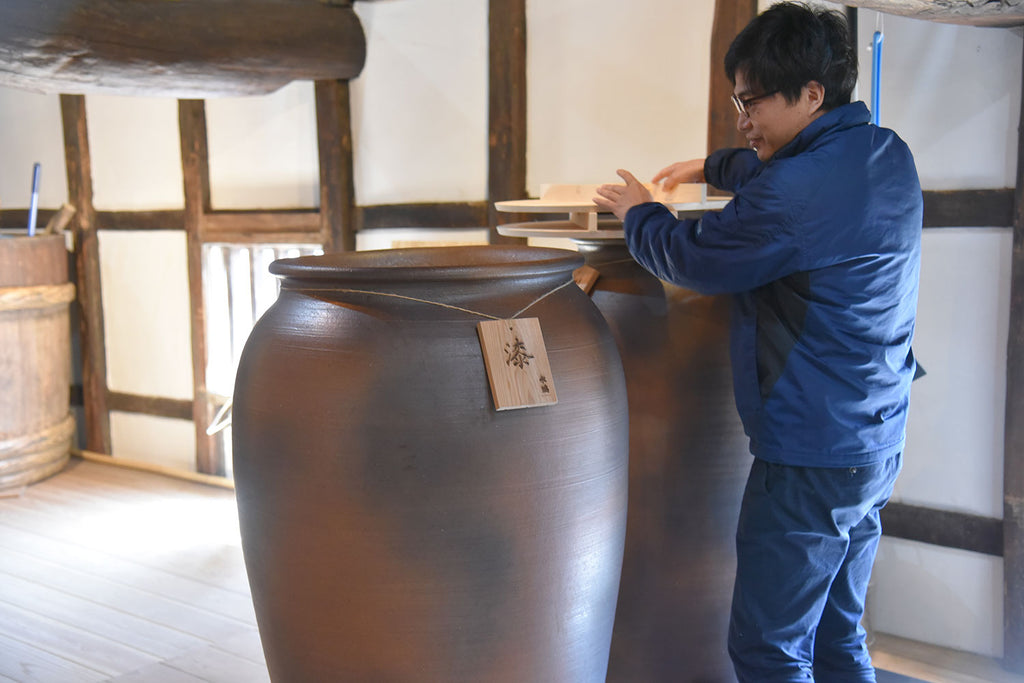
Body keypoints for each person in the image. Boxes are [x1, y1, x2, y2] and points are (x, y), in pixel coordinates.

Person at [593, 3, 922, 682]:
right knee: (838, 638)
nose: (743, 119)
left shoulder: (793, 195)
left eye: (752, 102)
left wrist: (639, 213)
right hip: (874, 440)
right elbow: (787, 181)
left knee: (768, 649)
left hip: (808, 451)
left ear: (810, 93)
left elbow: (696, 257)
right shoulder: (885, 155)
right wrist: (712, 165)